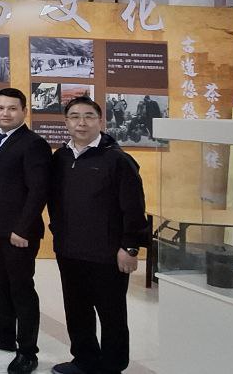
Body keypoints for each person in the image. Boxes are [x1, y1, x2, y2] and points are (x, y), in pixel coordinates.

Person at [48, 97, 147, 374]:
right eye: (75, 116)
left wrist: (130, 247)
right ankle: (84, 360)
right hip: (69, 250)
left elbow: (134, 207)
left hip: (108, 254)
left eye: (89, 116)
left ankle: (113, 366)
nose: (81, 123)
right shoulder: (61, 158)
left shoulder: (117, 159)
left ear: (100, 121)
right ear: (66, 122)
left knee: (111, 314)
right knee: (76, 309)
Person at [0, 88, 51, 374]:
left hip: (17, 233)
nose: (5, 113)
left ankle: (27, 351)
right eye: (0, 108)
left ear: (24, 111)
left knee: (21, 290)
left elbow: (38, 191)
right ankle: (4, 335)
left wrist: (23, 228)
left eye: (12, 108)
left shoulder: (33, 144)